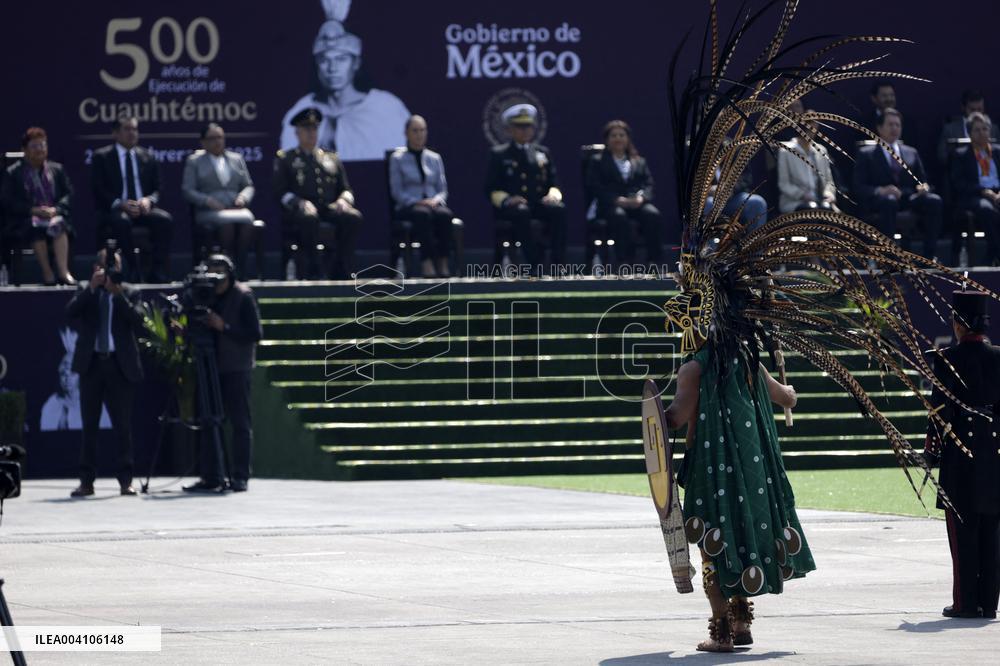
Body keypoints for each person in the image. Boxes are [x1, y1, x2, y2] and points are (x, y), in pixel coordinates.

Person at [662, 262, 814, 652]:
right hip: (751, 470)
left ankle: (722, 631)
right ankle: (742, 623)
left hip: (709, 472)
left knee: (713, 541)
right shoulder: (749, 361)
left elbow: (676, 419)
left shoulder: (693, 367)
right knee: (742, 536)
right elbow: (787, 397)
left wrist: (654, 418)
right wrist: (790, 391)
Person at [924, 290, 1000, 619]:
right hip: (995, 454)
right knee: (992, 531)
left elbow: (938, 414)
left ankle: (965, 602)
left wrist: (932, 454)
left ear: (958, 323)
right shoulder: (999, 357)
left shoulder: (945, 359)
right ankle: (988, 602)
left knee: (963, 531)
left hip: (960, 455)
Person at [279, 0, 409, 161]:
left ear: (355, 63)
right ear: (317, 66)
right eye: (325, 60)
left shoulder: (386, 109)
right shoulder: (301, 111)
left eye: (341, 59)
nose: (332, 68)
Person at [66, 245, 146, 497]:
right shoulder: (86, 290)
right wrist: (92, 288)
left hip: (119, 365)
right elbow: (71, 312)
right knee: (89, 425)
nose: (111, 272)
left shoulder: (130, 291)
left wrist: (118, 294)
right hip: (92, 364)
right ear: (95, 269)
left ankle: (126, 480)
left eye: (115, 268)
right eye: (106, 268)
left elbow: (138, 320)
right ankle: (86, 481)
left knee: (122, 425)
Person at [183, 254, 263, 493]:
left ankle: (240, 476)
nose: (214, 279)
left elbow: (255, 333)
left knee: (240, 423)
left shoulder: (243, 296)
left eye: (219, 273)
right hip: (210, 366)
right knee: (208, 420)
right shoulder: (205, 296)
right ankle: (211, 476)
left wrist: (224, 327)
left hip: (236, 368)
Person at [273, 107, 362, 280]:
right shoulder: (287, 158)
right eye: (307, 129)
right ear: (297, 132)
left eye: (314, 129)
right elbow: (280, 192)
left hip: (329, 207)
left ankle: (341, 266)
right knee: (309, 219)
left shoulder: (331, 158)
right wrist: (299, 202)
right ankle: (314, 268)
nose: (311, 133)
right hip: (302, 210)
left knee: (354, 217)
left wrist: (344, 200)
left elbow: (346, 188)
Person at [484, 103, 567, 273]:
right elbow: (491, 188)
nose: (525, 131)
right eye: (520, 127)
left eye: (528, 126)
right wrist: (508, 199)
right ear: (510, 129)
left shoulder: (542, 152)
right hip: (513, 207)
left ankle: (559, 263)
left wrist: (553, 195)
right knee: (522, 212)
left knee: (558, 210)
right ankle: (534, 263)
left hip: (538, 203)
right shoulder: (499, 154)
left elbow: (554, 182)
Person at [853, 108, 943, 261]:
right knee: (889, 202)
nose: (895, 128)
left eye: (897, 125)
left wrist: (924, 188)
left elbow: (923, 181)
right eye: (890, 125)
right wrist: (880, 190)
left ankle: (929, 256)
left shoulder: (911, 152)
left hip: (908, 199)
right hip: (882, 203)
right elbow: (858, 186)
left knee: (934, 200)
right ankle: (890, 258)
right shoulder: (866, 154)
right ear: (880, 128)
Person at [90, 117, 173, 282]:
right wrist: (120, 203)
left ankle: (157, 271)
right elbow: (98, 188)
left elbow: (157, 188)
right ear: (115, 133)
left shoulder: (147, 156)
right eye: (127, 129)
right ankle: (133, 269)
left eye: (135, 129)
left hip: (142, 209)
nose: (132, 133)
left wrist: (148, 200)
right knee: (122, 222)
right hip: (115, 210)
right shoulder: (102, 157)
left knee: (164, 220)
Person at [1, 127, 75, 285]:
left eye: (43, 145)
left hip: (53, 216)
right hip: (25, 220)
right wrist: (32, 210)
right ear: (24, 150)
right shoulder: (13, 173)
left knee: (60, 224)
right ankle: (48, 274)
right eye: (35, 146)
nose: (40, 150)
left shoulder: (57, 170)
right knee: (35, 227)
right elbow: (8, 201)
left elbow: (68, 195)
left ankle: (63, 272)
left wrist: (56, 210)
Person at [182, 123, 256, 276]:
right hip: (208, 212)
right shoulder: (194, 161)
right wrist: (207, 200)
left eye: (220, 137)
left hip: (236, 209)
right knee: (227, 224)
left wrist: (243, 197)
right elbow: (187, 190)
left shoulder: (237, 159)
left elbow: (248, 186)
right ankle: (226, 268)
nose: (218, 141)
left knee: (247, 222)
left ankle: (240, 267)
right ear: (203, 142)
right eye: (212, 138)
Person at [585, 120, 663, 265]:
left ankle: (654, 260)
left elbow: (648, 184)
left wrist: (641, 198)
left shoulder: (639, 161)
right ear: (607, 140)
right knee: (619, 216)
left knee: (652, 214)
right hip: (610, 206)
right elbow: (595, 187)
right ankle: (625, 260)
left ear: (627, 139)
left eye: (622, 135)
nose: (618, 139)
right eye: (614, 136)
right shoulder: (597, 161)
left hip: (636, 204)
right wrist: (616, 200)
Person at [388, 115, 453, 278]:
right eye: (415, 131)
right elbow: (396, 191)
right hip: (409, 207)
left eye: (422, 130)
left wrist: (436, 200)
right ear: (406, 133)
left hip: (433, 204)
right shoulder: (397, 159)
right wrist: (417, 202)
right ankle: (427, 262)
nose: (419, 134)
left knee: (445, 215)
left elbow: (442, 189)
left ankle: (443, 261)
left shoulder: (434, 158)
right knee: (421, 214)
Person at [950, 112, 1000, 266]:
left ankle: (992, 254)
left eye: (985, 129)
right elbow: (958, 183)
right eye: (977, 130)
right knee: (986, 209)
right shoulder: (961, 154)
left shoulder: (997, 152)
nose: (982, 133)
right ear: (970, 133)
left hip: (998, 193)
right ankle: (996, 251)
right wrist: (984, 192)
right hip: (975, 196)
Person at [776, 115, 838, 213]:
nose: (811, 133)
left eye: (814, 129)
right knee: (811, 210)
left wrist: (829, 193)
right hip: (796, 201)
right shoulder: (786, 151)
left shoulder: (821, 150)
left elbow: (828, 181)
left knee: (827, 211)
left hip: (821, 201)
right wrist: (802, 195)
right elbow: (784, 184)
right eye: (809, 129)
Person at [938, 90, 1000, 163]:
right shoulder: (950, 129)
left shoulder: (993, 129)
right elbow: (942, 157)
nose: (976, 113)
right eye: (972, 110)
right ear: (963, 107)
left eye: (980, 109)